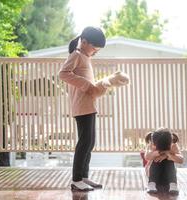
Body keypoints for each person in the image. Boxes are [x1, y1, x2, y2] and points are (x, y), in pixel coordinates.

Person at [58, 26, 129, 191]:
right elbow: (63, 74)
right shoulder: (76, 54)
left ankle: (83, 176)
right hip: (81, 105)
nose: (96, 52)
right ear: (84, 42)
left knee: (90, 142)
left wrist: (97, 86)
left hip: (88, 104)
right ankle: (76, 180)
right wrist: (86, 85)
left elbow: (88, 83)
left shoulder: (84, 56)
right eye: (94, 48)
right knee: (84, 143)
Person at [144, 128, 183, 195]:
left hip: (168, 179)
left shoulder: (173, 145)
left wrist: (168, 155)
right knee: (156, 160)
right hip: (153, 177)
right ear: (154, 143)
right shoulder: (152, 144)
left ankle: (173, 184)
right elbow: (147, 157)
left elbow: (181, 159)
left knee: (169, 161)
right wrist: (157, 153)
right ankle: (151, 184)